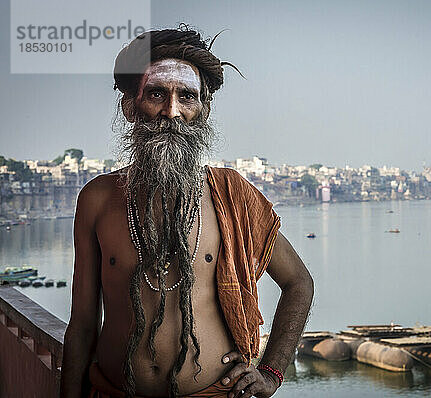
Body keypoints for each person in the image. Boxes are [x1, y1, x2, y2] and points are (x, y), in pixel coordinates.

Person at [60, 27, 314, 398]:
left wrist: (271, 373)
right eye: (157, 94)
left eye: (187, 97)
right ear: (130, 106)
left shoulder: (232, 195)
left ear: (203, 110)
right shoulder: (97, 199)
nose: (172, 112)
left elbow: (299, 284)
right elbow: (82, 325)